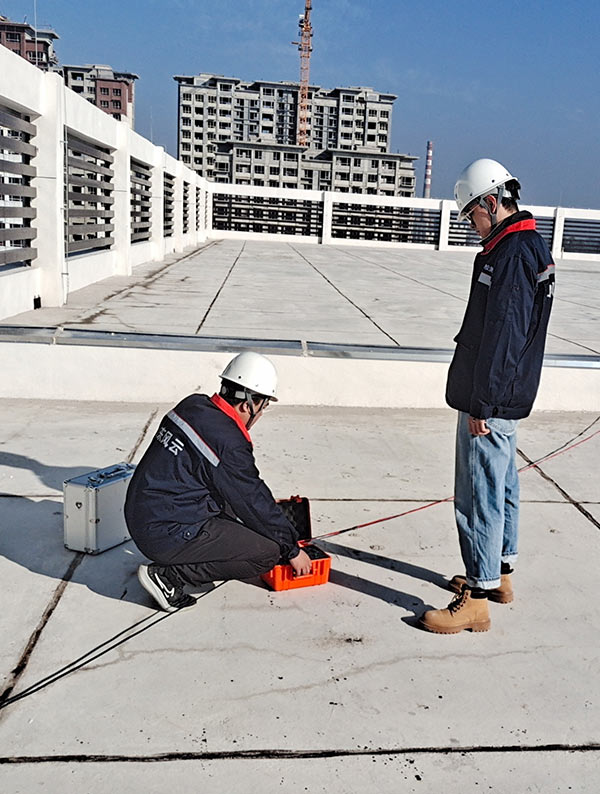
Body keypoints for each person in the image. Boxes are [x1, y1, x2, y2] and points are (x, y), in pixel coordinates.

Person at [420, 158, 555, 634]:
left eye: (471, 215)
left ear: (492, 203)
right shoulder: (521, 245)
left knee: (479, 492)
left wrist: (483, 404)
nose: (469, 225)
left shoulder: (513, 254)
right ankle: (499, 573)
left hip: (491, 395)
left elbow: (504, 336)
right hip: (502, 392)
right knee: (502, 484)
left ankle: (476, 596)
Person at [125, 351, 312, 612]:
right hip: (165, 532)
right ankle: (168, 578)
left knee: (242, 516)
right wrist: (291, 549)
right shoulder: (227, 442)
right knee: (266, 553)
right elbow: (252, 498)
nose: (260, 415)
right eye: (263, 407)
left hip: (143, 513)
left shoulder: (193, 405)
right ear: (248, 405)